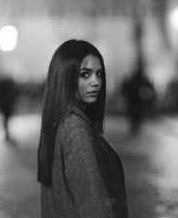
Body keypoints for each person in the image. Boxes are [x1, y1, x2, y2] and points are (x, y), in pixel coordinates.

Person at [37, 39, 128, 218]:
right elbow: (96, 209)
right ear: (65, 77)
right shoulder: (77, 132)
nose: (96, 82)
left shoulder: (61, 124)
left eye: (99, 74)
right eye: (85, 74)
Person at [0, 76, 17, 141]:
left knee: (6, 120)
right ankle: (6, 134)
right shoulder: (7, 90)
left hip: (5, 106)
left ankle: (6, 133)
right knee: (6, 120)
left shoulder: (2, 89)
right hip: (6, 106)